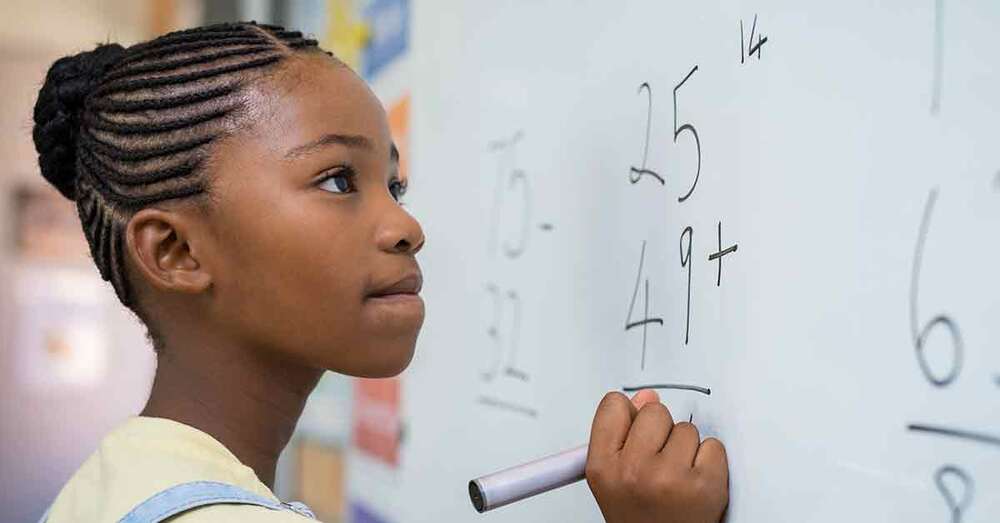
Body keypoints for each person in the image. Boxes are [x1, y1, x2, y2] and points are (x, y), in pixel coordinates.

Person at [31, 21, 729, 523]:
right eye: (338, 181)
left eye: (393, 187)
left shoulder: (115, 478)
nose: (406, 226)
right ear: (177, 252)